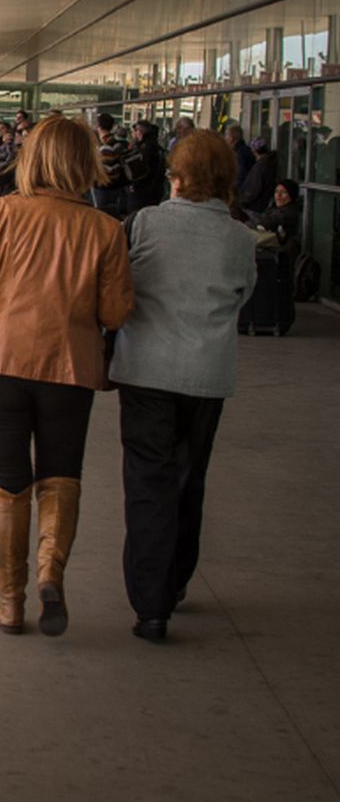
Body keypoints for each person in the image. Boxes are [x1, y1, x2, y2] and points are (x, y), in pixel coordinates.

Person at [0, 115, 134, 637]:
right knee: (60, 477)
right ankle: (51, 573)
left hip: (1, 363)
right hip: (70, 366)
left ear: (30, 158)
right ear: (85, 163)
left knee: (8, 484)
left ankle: (11, 603)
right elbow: (116, 311)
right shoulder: (106, 229)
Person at [110, 130, 256, 642]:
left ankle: (150, 605)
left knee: (148, 481)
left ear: (175, 175)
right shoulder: (239, 236)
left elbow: (120, 284)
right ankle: (174, 582)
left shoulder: (146, 222)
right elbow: (244, 297)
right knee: (189, 477)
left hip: (146, 370)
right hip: (207, 374)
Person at [124, 120, 166, 214]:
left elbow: (142, 169)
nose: (133, 134)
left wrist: (134, 185)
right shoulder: (157, 148)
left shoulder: (144, 148)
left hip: (142, 190)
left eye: (134, 131)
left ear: (139, 132)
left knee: (136, 215)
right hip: (155, 188)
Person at [237, 136, 277, 216]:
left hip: (254, 208)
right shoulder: (271, 164)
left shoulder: (260, 167)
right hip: (262, 207)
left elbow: (252, 189)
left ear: (254, 150)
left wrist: (241, 201)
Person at [224, 122, 255, 189]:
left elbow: (241, 175)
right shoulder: (243, 150)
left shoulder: (239, 153)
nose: (225, 138)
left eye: (227, 135)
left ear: (232, 137)